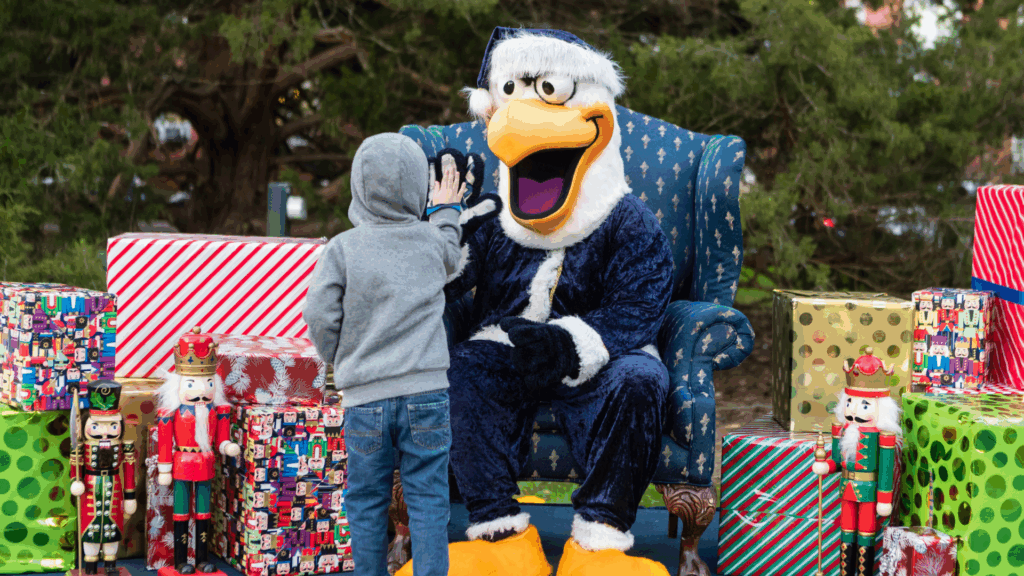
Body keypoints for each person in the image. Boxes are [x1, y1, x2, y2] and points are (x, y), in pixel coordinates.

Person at [304, 132, 465, 576]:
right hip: (428, 394)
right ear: (418, 188)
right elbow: (452, 254)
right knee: (429, 499)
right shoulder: (432, 242)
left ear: (358, 185)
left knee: (367, 500)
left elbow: (318, 312)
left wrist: (338, 356)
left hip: (365, 399)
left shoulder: (342, 248)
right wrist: (446, 210)